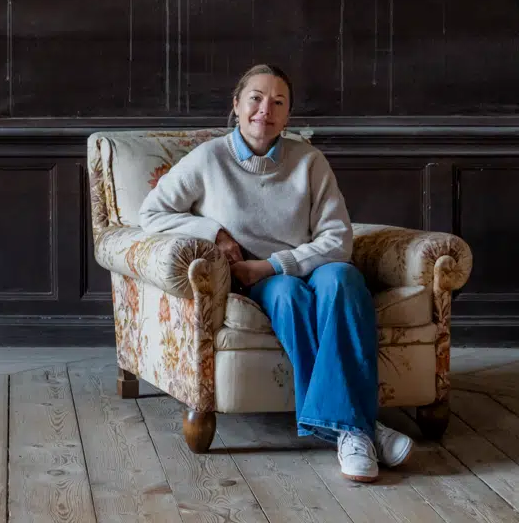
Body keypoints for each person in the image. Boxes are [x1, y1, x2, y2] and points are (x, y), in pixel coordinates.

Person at [137, 63, 411, 483]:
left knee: (343, 278)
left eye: (278, 102)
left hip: (307, 265)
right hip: (261, 281)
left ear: (288, 116)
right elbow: (151, 212)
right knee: (287, 295)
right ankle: (360, 428)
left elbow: (337, 240)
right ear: (237, 105)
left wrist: (273, 263)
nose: (265, 109)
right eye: (256, 98)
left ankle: (351, 429)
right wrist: (215, 232)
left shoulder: (310, 161)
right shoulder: (209, 158)